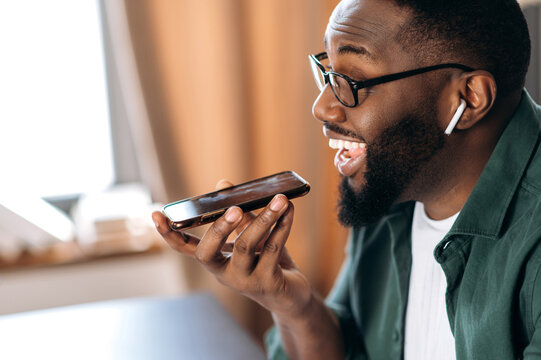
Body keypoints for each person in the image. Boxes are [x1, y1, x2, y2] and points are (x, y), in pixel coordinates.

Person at [152, 0, 541, 358]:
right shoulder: (393, 184)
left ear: (467, 99)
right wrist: (292, 306)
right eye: (327, 71)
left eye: (352, 81)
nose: (322, 107)